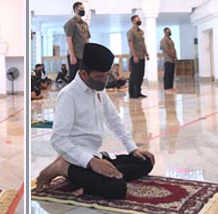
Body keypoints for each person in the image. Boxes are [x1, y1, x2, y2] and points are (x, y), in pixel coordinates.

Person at [36, 43, 155, 199]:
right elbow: (58, 140)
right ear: (84, 74)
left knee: (145, 162)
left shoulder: (98, 90)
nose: (104, 80)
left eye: (106, 75)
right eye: (100, 77)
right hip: (76, 160)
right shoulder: (68, 95)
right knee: (117, 188)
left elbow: (114, 120)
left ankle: (90, 182)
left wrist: (132, 148)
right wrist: (90, 162)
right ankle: (61, 167)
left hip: (96, 156)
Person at [64, 1, 91, 82]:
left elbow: (87, 39)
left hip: (84, 55)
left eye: (83, 9)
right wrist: (72, 56)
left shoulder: (85, 24)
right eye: (81, 9)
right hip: (75, 54)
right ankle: (70, 94)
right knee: (74, 77)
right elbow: (69, 39)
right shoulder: (71, 23)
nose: (83, 10)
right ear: (75, 10)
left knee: (83, 76)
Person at [127, 15, 149, 98]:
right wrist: (135, 56)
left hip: (142, 56)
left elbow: (143, 44)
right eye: (138, 19)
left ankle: (138, 92)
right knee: (134, 76)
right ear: (133, 21)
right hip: (135, 57)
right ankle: (132, 93)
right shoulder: (130, 32)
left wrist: (146, 53)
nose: (140, 20)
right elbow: (131, 44)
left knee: (141, 75)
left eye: (140, 19)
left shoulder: (141, 32)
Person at [160, 27, 177, 94]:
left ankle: (171, 87)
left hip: (172, 59)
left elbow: (173, 48)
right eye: (168, 31)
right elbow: (167, 50)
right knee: (167, 73)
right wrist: (173, 56)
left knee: (171, 73)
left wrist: (175, 57)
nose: (169, 32)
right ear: (164, 32)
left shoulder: (170, 40)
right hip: (168, 59)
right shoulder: (163, 40)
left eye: (169, 31)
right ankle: (167, 88)